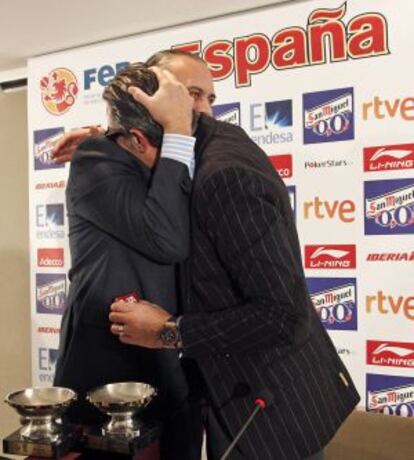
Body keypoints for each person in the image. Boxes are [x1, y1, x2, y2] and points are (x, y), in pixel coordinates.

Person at [106, 53, 361, 460]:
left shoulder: (225, 176)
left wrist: (170, 330)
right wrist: (98, 139)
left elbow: (283, 315)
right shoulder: (205, 138)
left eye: (201, 96)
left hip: (272, 406)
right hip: (231, 389)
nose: (203, 106)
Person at [53, 62, 200, 460]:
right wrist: (176, 135)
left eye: (204, 98)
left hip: (170, 366)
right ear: (136, 137)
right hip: (109, 375)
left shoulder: (175, 150)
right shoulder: (95, 159)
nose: (199, 111)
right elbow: (167, 240)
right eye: (190, 99)